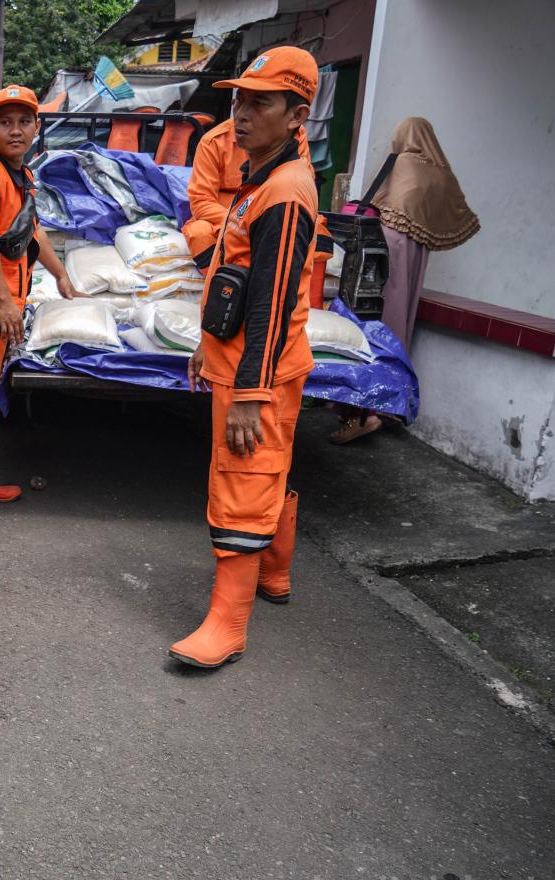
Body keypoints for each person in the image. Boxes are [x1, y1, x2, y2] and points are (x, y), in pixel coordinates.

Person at [173, 45, 320, 669]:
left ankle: (226, 625)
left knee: (244, 482)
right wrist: (208, 350)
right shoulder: (261, 178)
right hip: (238, 363)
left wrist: (251, 394)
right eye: (239, 98)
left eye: (261, 102)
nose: (242, 113)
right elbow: (235, 282)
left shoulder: (284, 192)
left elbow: (271, 303)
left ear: (296, 116)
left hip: (257, 374)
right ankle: (275, 573)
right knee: (267, 471)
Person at [0, 84, 85, 518]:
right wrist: (3, 301)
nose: (15, 131)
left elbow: (30, 230)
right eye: (5, 122)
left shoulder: (21, 174)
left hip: (1, 309)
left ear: (37, 126)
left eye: (23, 122)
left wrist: (61, 276)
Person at [328, 116, 479, 444]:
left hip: (385, 260)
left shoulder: (404, 165)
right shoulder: (439, 173)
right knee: (399, 329)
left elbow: (379, 212)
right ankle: (388, 407)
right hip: (414, 263)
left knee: (371, 328)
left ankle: (362, 414)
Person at [182, 117, 314, 270]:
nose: (246, 114)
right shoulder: (213, 142)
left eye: (261, 104)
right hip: (224, 218)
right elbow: (201, 201)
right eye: (241, 101)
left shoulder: (294, 135)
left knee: (316, 230)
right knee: (200, 233)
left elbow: (301, 186)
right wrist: (239, 225)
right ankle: (222, 286)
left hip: (274, 212)